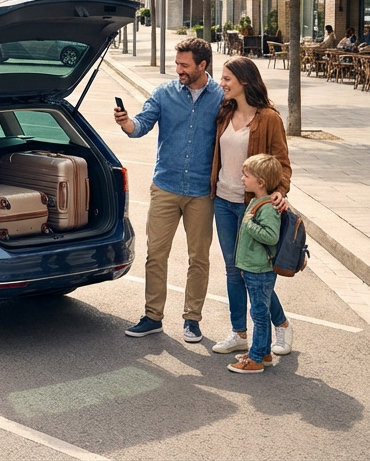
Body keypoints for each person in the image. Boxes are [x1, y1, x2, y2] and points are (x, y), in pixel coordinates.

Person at [115, 37, 223, 343]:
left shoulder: (220, 97)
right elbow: (141, 125)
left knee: (199, 258)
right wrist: (126, 123)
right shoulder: (163, 93)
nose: (179, 70)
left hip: (202, 190)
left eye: (184, 65)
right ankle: (152, 317)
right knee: (155, 255)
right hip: (165, 186)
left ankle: (192, 320)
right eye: (177, 64)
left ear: (203, 65)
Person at [209, 56, 294, 357]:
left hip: (252, 207)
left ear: (244, 81)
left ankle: (281, 325)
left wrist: (280, 191)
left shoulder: (269, 118)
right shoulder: (223, 114)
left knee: (254, 272)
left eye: (227, 79)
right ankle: (239, 333)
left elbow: (282, 164)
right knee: (233, 271)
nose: (223, 83)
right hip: (223, 202)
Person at [227, 154, 284, 374]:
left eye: (246, 175)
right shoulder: (257, 201)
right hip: (253, 268)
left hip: (260, 270)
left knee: (259, 315)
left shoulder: (268, 207)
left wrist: (249, 224)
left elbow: (271, 237)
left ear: (260, 182)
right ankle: (264, 353)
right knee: (262, 312)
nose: (242, 179)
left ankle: (256, 359)